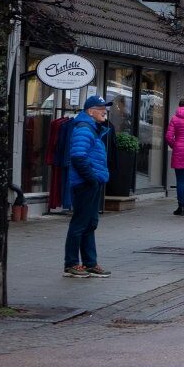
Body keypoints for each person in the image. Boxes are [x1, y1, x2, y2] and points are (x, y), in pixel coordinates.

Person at [64, 95, 113, 278]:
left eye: (105, 108)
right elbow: (78, 156)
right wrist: (92, 178)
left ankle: (90, 263)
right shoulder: (84, 129)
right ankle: (71, 264)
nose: (104, 111)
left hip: (91, 182)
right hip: (85, 183)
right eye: (101, 108)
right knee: (80, 224)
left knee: (90, 223)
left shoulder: (92, 128)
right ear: (90, 111)